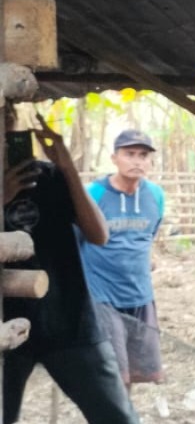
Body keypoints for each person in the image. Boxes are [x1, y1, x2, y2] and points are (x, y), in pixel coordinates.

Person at [2, 122, 138, 424]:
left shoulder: (47, 176)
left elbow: (99, 234)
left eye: (7, 118)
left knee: (118, 418)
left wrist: (66, 169)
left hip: (69, 318)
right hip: (4, 329)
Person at [80, 129, 167, 393]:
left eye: (143, 155)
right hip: (102, 297)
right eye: (129, 154)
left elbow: (149, 235)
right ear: (114, 158)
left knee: (133, 372)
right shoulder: (92, 194)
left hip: (141, 296)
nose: (137, 161)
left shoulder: (155, 195)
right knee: (113, 374)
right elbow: (75, 240)